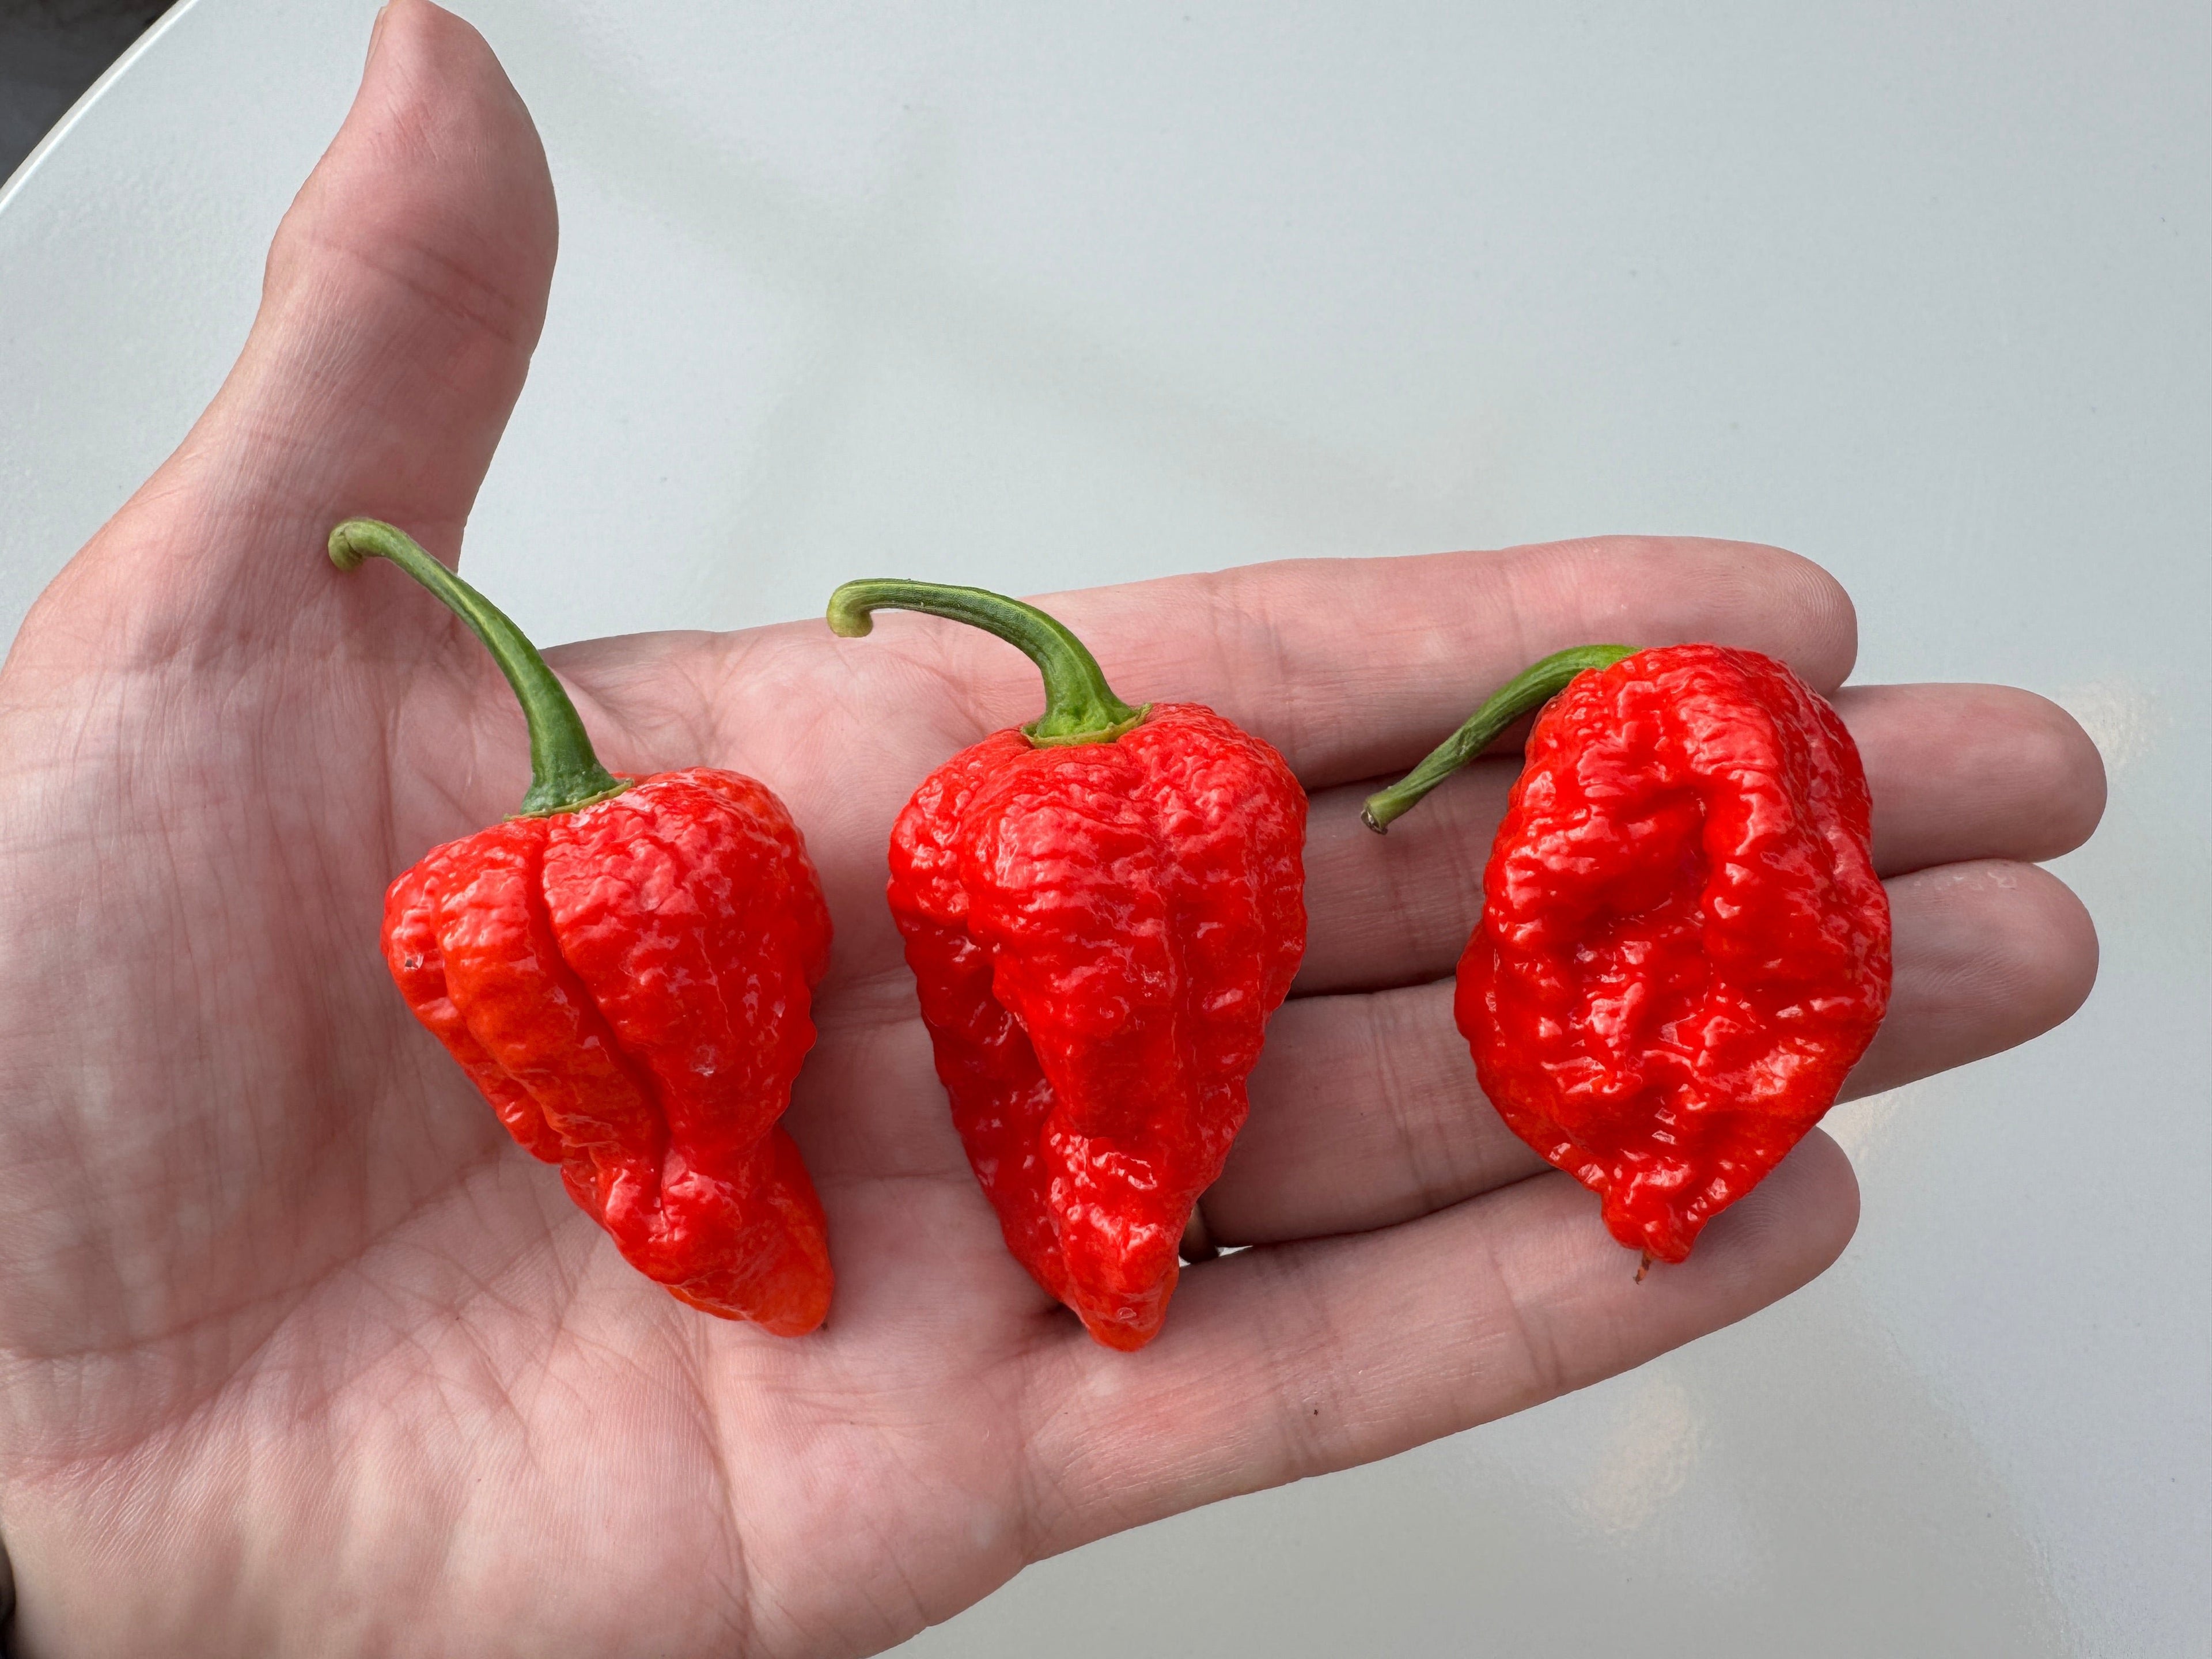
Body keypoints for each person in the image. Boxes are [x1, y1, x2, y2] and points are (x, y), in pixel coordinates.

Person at [0, 3, 2103, 1653]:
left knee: (1135, 1132)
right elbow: (709, 1122)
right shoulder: (695, 880)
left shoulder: (1050, 822)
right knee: (830, 1143)